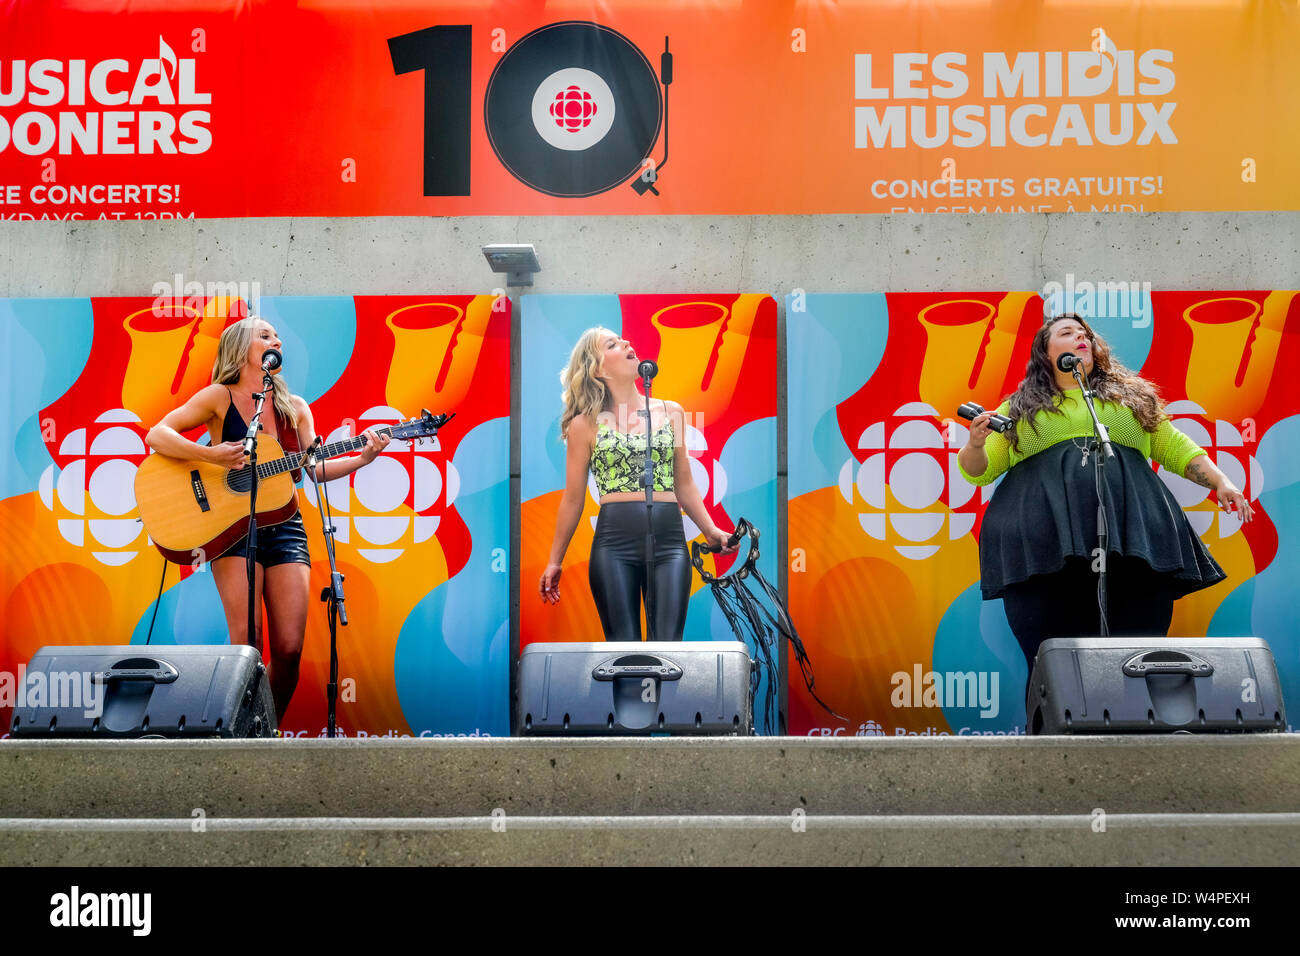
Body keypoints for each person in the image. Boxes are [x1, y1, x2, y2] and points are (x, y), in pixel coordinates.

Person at [957, 313, 1253, 671]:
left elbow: (1172, 446)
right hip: (1044, 549)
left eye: (1085, 334)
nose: (1081, 338)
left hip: (1131, 540)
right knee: (1053, 661)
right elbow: (981, 470)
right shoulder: (1019, 409)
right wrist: (974, 444)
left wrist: (1221, 481)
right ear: (1045, 354)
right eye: (1067, 333)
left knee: (1136, 653)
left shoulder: (1132, 399)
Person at [145, 317, 391, 721]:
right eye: (265, 335)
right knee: (248, 644)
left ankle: (265, 728)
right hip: (231, 533)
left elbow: (313, 469)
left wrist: (363, 458)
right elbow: (158, 435)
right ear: (241, 349)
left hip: (285, 529)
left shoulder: (294, 408)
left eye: (277, 336)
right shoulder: (218, 397)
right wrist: (211, 455)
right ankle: (240, 731)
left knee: (290, 648)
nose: (276, 340)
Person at [539, 327, 737, 641]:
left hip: (670, 543)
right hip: (614, 546)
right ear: (598, 368)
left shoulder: (671, 412)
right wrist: (555, 560)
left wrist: (712, 531)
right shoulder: (584, 424)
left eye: (623, 339)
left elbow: (684, 484)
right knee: (623, 650)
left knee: (668, 649)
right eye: (613, 344)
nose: (628, 342)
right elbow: (573, 499)